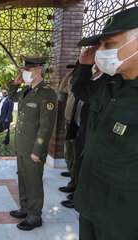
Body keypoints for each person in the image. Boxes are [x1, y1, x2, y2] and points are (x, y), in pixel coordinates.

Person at [72, 7, 138, 239]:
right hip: (90, 203)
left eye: (109, 44)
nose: (101, 51)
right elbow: (80, 91)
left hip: (122, 219)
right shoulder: (110, 85)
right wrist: (83, 65)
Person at [8, 56, 57, 231]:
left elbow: (46, 126)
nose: (24, 73)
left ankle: (35, 216)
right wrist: (16, 82)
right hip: (22, 145)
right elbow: (12, 96)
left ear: (37, 71)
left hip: (33, 149)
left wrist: (38, 150)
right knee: (23, 178)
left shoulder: (46, 94)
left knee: (34, 182)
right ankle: (24, 208)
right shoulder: (27, 90)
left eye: (27, 70)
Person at [57, 64, 77, 204]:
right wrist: (66, 78)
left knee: (76, 156)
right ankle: (72, 176)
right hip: (69, 121)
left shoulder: (84, 84)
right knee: (69, 152)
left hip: (78, 125)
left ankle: (76, 186)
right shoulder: (72, 82)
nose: (71, 72)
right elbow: (61, 96)